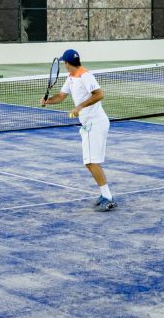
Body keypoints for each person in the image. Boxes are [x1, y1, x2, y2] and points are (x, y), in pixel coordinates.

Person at [42, 48, 115, 211]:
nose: (64, 65)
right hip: (90, 124)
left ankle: (108, 198)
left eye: (64, 62)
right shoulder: (71, 77)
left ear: (67, 63)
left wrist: (79, 107)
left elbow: (99, 94)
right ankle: (105, 195)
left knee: (91, 162)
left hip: (95, 123)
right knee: (91, 162)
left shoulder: (85, 75)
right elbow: (61, 96)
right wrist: (48, 101)